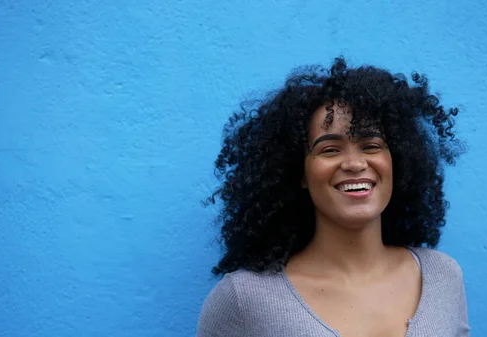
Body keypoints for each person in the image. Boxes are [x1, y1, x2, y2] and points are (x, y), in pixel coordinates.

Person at [197, 57, 470, 337]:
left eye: (371, 145)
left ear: (396, 160)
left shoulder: (443, 277)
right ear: (299, 172)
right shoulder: (243, 298)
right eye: (329, 150)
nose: (354, 163)